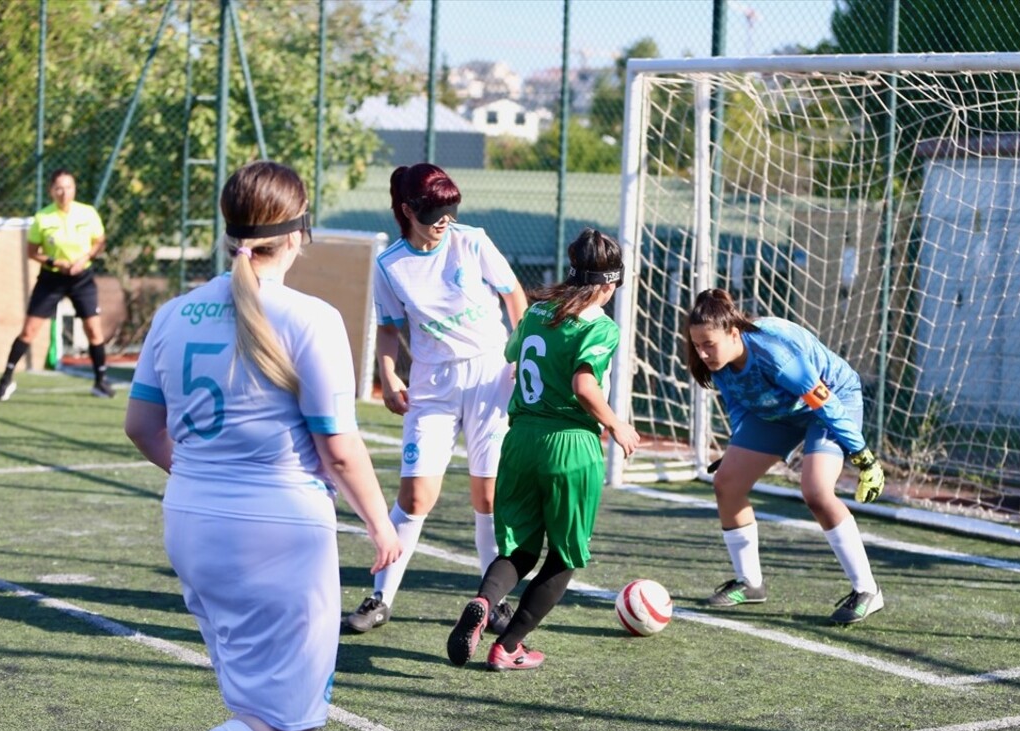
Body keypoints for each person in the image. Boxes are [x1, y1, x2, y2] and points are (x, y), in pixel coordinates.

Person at [102, 161, 401, 731]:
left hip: (192, 522)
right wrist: (381, 522)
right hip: (279, 532)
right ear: (299, 233)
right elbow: (338, 445)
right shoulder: (311, 318)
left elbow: (140, 428)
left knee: (261, 707)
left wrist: (208, 478)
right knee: (292, 716)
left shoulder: (176, 313)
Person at [341, 162, 528, 635]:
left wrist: (519, 355)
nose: (445, 220)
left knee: (487, 497)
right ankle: (380, 597)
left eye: (451, 210)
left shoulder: (473, 241)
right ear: (408, 211)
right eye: (434, 212)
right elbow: (388, 329)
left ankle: (494, 602)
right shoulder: (390, 265)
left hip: (491, 376)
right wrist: (387, 374)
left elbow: (515, 299)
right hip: (433, 385)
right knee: (416, 495)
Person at [446, 228, 640, 671]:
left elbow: (513, 356)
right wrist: (616, 423)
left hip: (519, 442)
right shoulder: (600, 326)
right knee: (565, 557)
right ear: (609, 285)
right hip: (570, 445)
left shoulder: (536, 314)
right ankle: (508, 646)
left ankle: (484, 600)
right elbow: (584, 385)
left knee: (519, 549)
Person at [685, 288, 887, 625]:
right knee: (727, 482)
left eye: (709, 345)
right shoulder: (716, 359)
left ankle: (868, 590)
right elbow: (739, 401)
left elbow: (825, 403)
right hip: (779, 412)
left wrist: (863, 457)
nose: (703, 353)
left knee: (816, 491)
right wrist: (739, 445)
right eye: (697, 345)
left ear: (734, 333)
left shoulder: (774, 353)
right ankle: (750, 583)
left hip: (832, 400)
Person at [0, 168, 113, 400]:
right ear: (51, 191)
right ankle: (6, 379)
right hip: (51, 279)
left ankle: (100, 381)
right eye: (58, 188)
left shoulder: (88, 213)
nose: (63, 192)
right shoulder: (43, 218)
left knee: (93, 330)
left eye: (68, 187)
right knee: (29, 330)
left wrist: (84, 259)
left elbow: (99, 241)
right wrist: (55, 262)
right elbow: (32, 251)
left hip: (82, 278)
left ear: (74, 189)